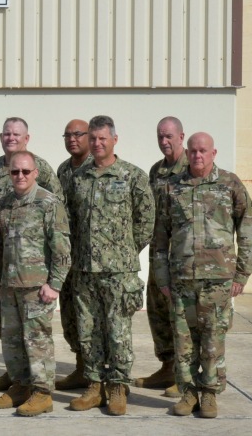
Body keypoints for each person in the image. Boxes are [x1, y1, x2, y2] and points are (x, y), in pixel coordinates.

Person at [153, 132, 252, 419]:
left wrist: (241, 274)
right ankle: (188, 393)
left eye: (203, 151)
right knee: (183, 340)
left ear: (214, 153)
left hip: (219, 280)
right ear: (187, 153)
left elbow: (247, 230)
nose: (198, 156)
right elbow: (160, 237)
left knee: (213, 339)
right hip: (182, 278)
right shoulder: (172, 187)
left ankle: (210, 394)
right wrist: (162, 278)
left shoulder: (229, 184)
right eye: (193, 151)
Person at [66, 115, 154, 416]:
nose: (98, 143)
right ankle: (93, 385)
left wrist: (125, 252)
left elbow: (146, 221)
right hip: (84, 270)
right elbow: (71, 221)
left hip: (119, 271)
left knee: (118, 332)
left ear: (115, 139)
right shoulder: (78, 177)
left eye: (103, 138)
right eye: (93, 138)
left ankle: (117, 387)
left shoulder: (132, 176)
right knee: (87, 330)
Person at [0, 117, 64, 392]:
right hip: (6, 270)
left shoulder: (44, 188)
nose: (19, 176)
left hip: (35, 274)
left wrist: (55, 281)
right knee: (9, 331)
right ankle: (17, 378)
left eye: (16, 134)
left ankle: (40, 388)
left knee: (36, 335)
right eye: (6, 133)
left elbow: (58, 234)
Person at [135, 117, 189, 397]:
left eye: (169, 136)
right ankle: (168, 366)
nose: (164, 142)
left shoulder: (193, 168)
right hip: (159, 254)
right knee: (157, 309)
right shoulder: (156, 171)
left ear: (182, 136)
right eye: (160, 137)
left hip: (183, 257)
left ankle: (186, 375)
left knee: (181, 315)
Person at [54, 119, 92, 391]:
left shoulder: (98, 167)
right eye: (67, 135)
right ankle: (81, 367)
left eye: (78, 134)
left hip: (94, 260)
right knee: (70, 317)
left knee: (93, 320)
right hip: (68, 258)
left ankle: (97, 373)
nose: (72, 139)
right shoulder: (63, 170)